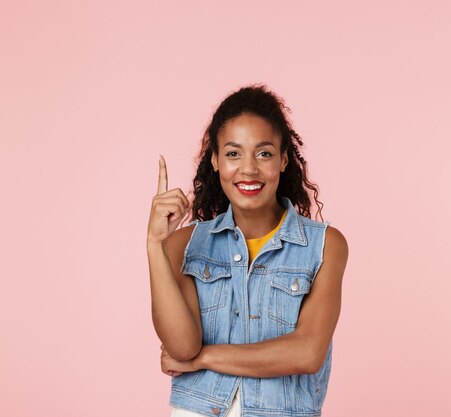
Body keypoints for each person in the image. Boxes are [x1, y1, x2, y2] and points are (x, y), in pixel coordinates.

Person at [146, 84, 348, 417]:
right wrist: (155, 245)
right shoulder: (184, 244)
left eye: (264, 153)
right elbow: (182, 346)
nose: (249, 169)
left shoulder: (324, 246)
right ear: (215, 159)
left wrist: (203, 359)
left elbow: (307, 353)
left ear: (283, 159)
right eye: (233, 153)